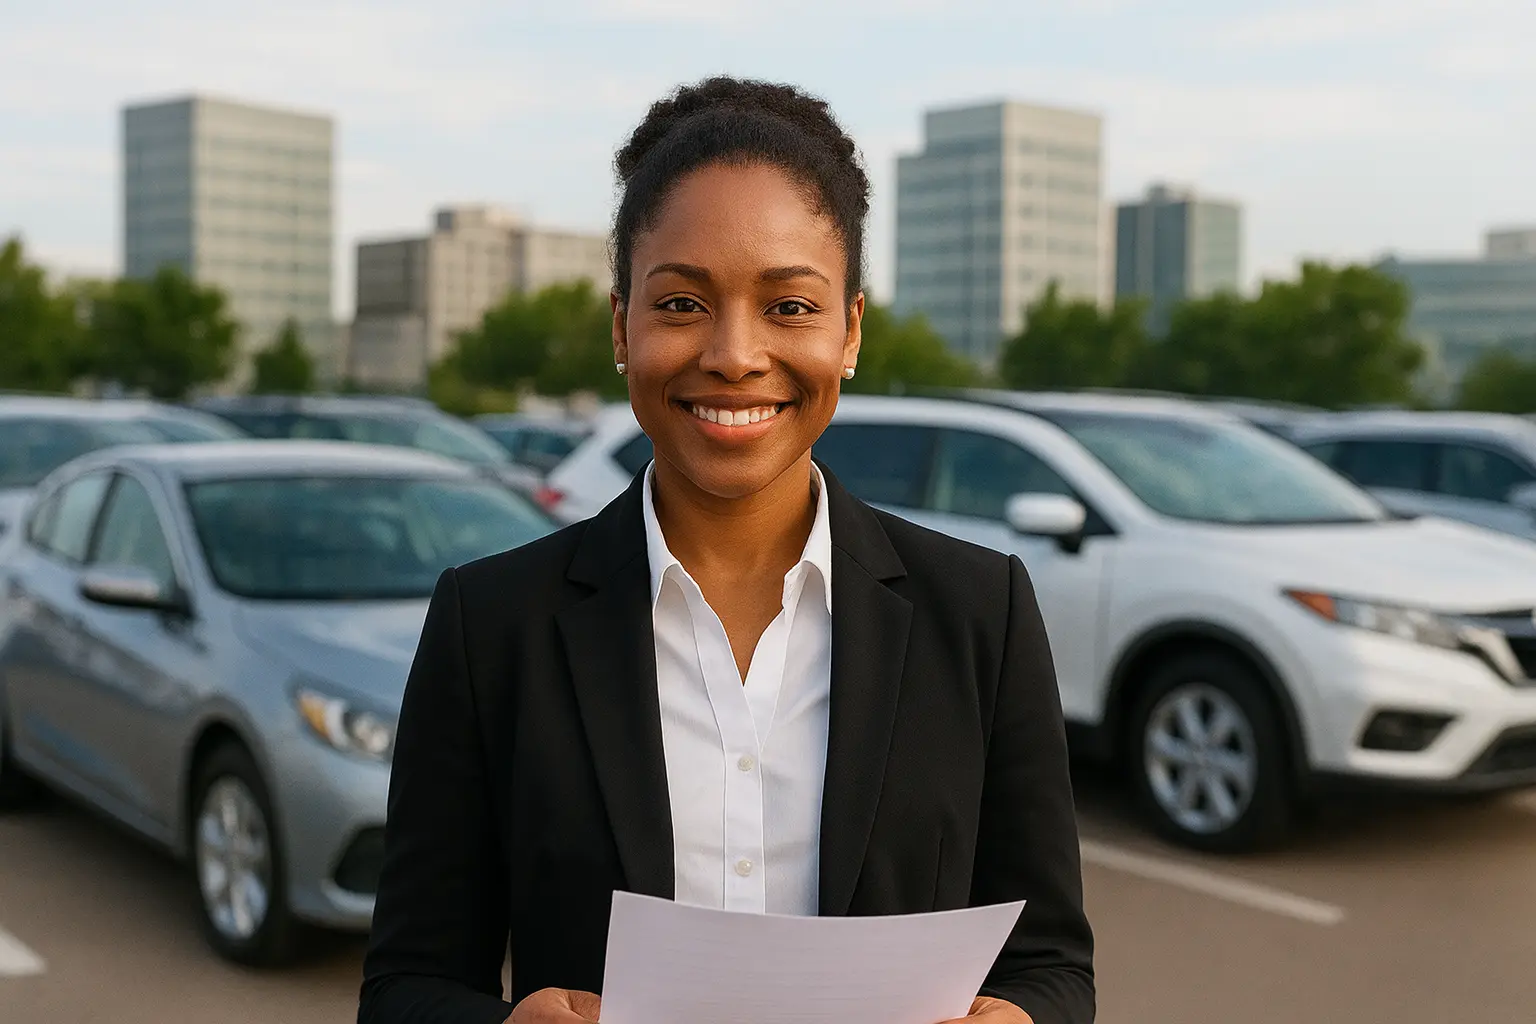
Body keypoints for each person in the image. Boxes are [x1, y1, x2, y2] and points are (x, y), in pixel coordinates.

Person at [359, 76, 1095, 1024]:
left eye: (789, 306)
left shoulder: (981, 613)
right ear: (621, 326)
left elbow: (1051, 964)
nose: (735, 355)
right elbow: (405, 985)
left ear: (850, 331)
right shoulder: (492, 626)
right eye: (681, 303)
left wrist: (1023, 1018)